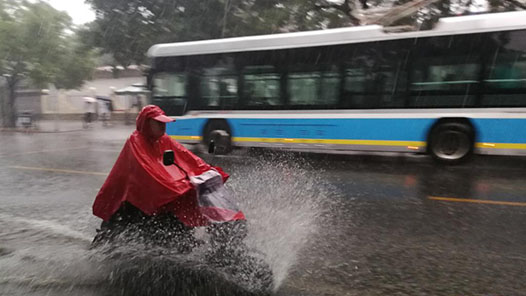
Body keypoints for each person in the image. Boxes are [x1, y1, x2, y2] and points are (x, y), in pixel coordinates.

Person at [92, 105, 246, 253]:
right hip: (134, 200)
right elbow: (149, 171)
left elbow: (186, 157)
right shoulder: (136, 141)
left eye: (163, 122)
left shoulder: (163, 139)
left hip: (158, 196)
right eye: (158, 123)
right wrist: (180, 185)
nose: (162, 126)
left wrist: (207, 171)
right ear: (146, 123)